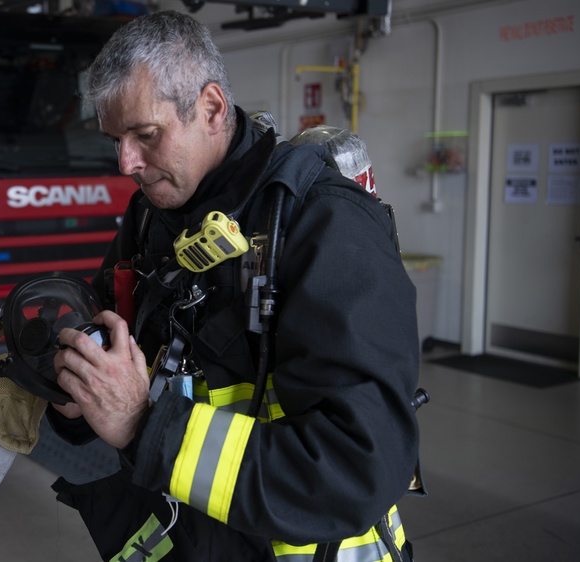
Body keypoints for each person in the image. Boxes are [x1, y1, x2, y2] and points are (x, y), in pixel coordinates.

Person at [49, 10, 421, 562]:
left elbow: (354, 470)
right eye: (115, 139)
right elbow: (116, 359)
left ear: (212, 108)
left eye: (145, 135)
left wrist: (143, 424)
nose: (125, 162)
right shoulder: (150, 217)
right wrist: (72, 388)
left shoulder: (324, 225)